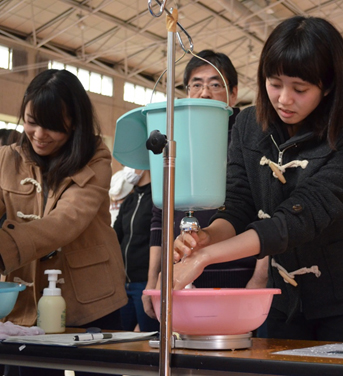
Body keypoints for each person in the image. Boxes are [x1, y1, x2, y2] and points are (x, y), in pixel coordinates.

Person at [172, 16, 343, 343]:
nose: (284, 99)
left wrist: (207, 257)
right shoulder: (247, 124)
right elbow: (239, 203)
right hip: (284, 297)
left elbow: (303, 215)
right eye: (275, 84)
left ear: (327, 86)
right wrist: (207, 237)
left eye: (300, 89)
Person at [0, 69, 127, 375]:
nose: (39, 134)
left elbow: (67, 220)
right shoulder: (6, 159)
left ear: (75, 121)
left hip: (93, 301)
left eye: (53, 126)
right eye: (32, 122)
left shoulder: (95, 157)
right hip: (26, 306)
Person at [143, 50, 258, 320]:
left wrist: (260, 276)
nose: (204, 92)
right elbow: (160, 214)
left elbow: (264, 209)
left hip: (238, 274)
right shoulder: (174, 138)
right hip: (180, 274)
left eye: (215, 85)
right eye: (196, 84)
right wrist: (153, 278)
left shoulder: (248, 137)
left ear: (233, 94)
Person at [113, 167, 160, 332]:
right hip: (123, 283)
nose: (127, 170)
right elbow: (115, 236)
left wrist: (151, 282)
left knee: (150, 335)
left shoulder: (157, 199)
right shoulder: (129, 201)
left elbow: (158, 239)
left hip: (144, 282)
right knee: (120, 337)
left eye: (131, 165)